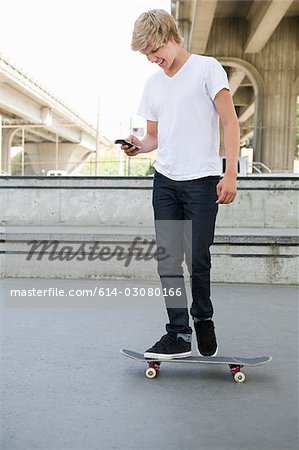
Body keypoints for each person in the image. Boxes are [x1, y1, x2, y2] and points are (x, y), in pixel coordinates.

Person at [121, 9, 240, 359]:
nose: (151, 58)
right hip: (166, 182)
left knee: (198, 258)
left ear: (171, 36)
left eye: (153, 49)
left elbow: (230, 123)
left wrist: (230, 173)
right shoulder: (152, 84)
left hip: (203, 181)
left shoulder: (207, 68)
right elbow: (153, 136)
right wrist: (137, 145)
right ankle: (178, 332)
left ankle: (202, 317)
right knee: (168, 261)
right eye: (145, 54)